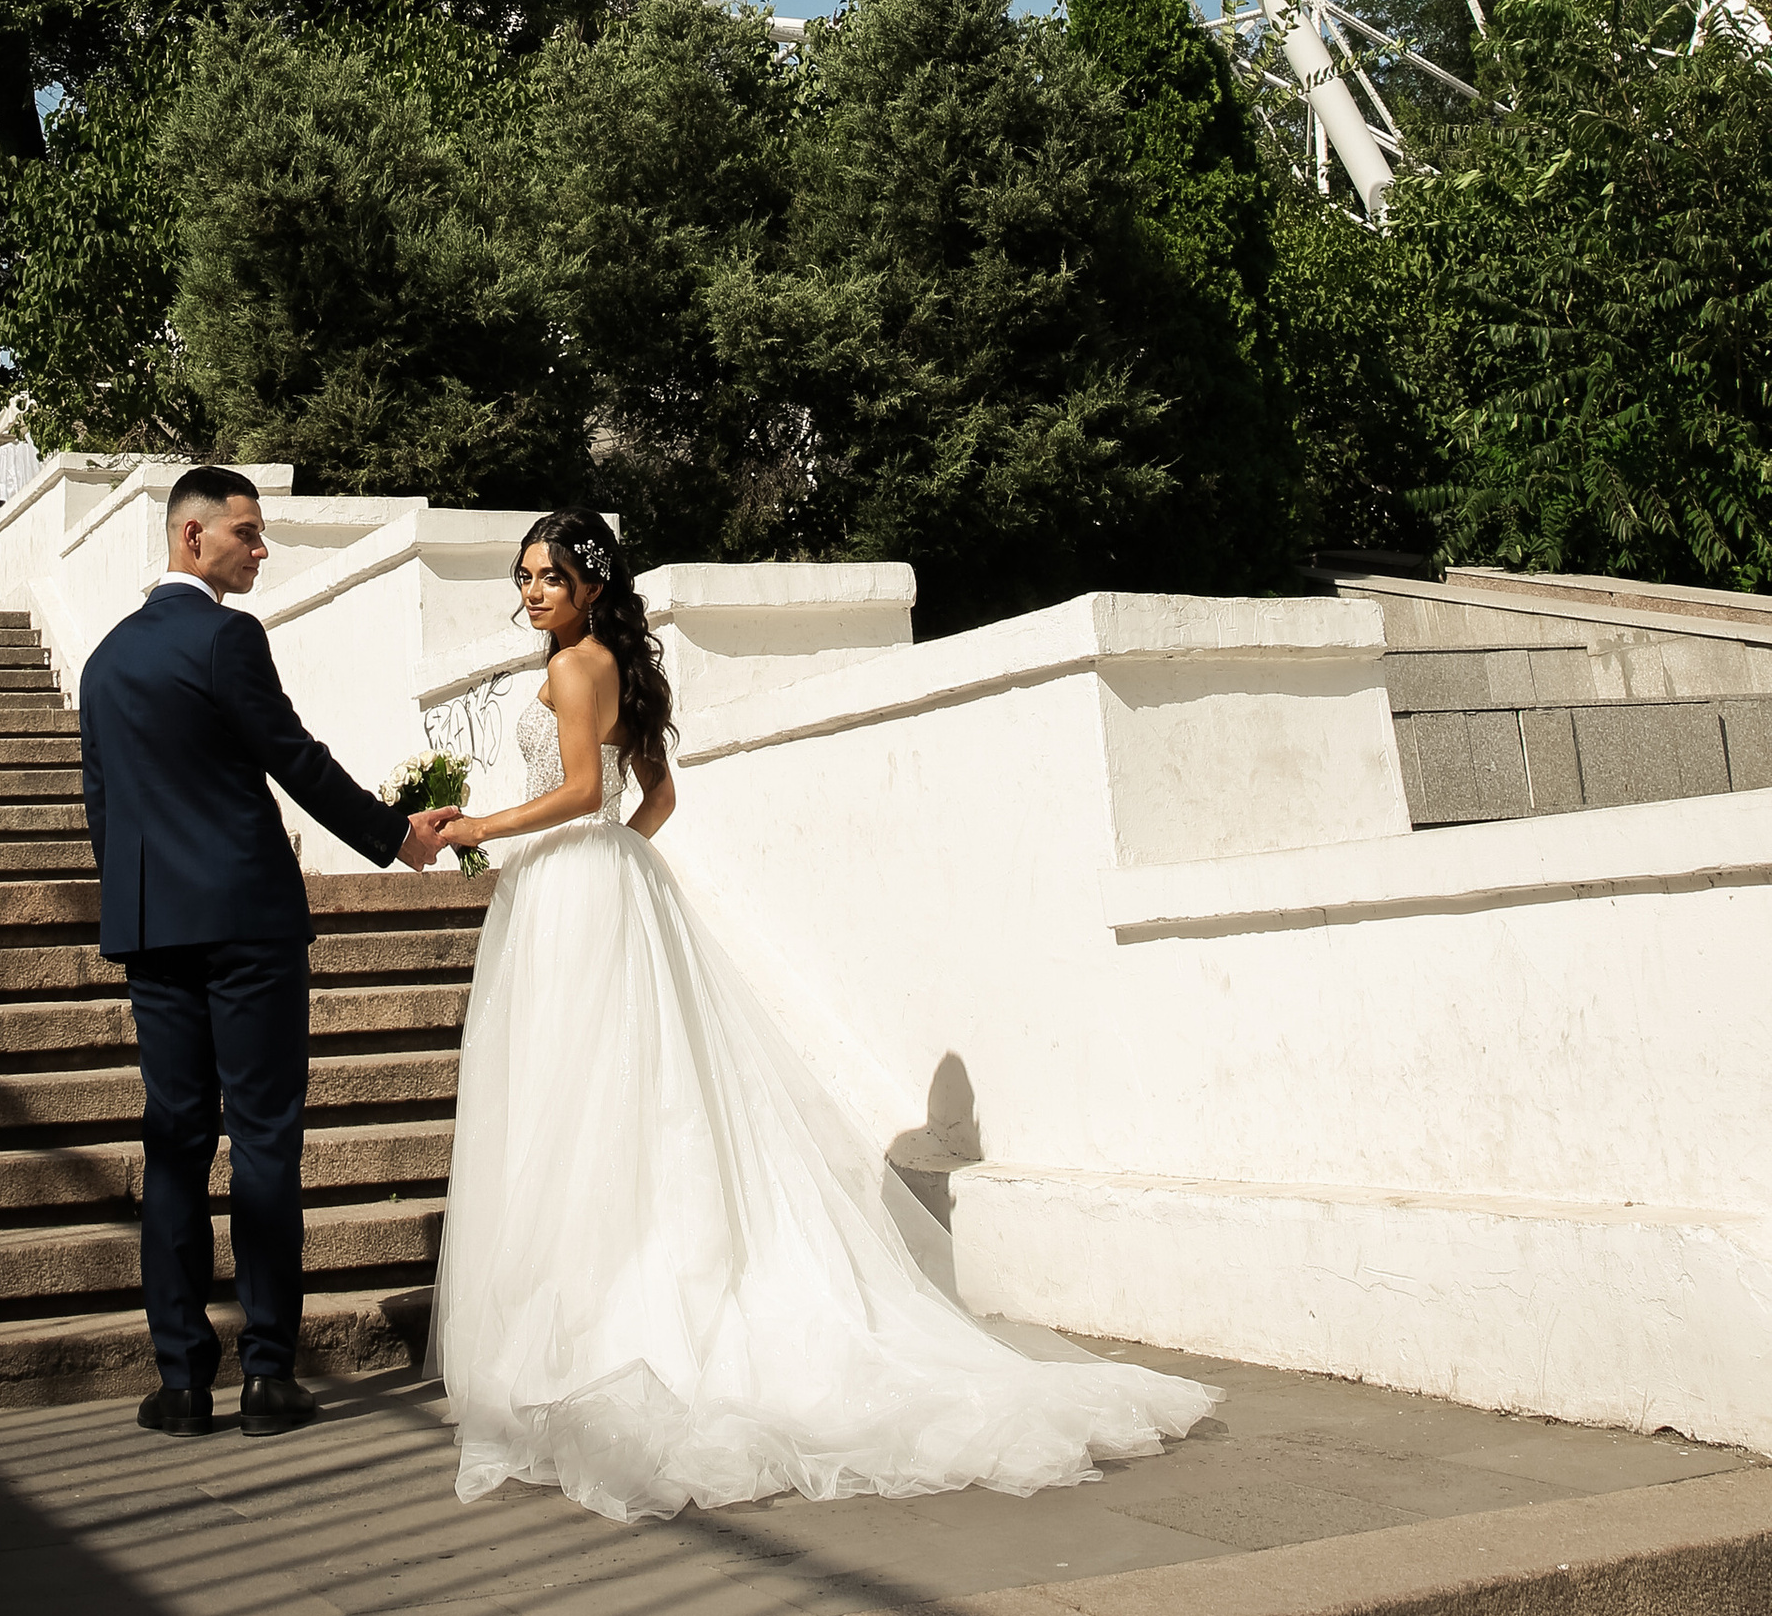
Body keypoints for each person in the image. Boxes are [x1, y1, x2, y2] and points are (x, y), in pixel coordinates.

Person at [421, 510, 1219, 1524]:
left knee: (578, 1100)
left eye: (553, 577)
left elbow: (585, 791)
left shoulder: (579, 668)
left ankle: (585, 1325)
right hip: (607, 884)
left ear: (591, 588)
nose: (535, 591)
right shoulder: (608, 663)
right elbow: (649, 803)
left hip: (576, 887)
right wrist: (604, 852)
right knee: (606, 1095)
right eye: (526, 575)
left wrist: (487, 825)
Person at [78, 463, 438, 1436]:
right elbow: (294, 756)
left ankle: (181, 1380)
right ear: (190, 538)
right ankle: (269, 1374)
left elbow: (103, 812)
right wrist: (395, 836)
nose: (261, 547)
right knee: (267, 1141)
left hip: (153, 932)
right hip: (245, 927)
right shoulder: (226, 638)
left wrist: (136, 911)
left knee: (174, 1146)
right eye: (246, 531)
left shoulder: (105, 662)